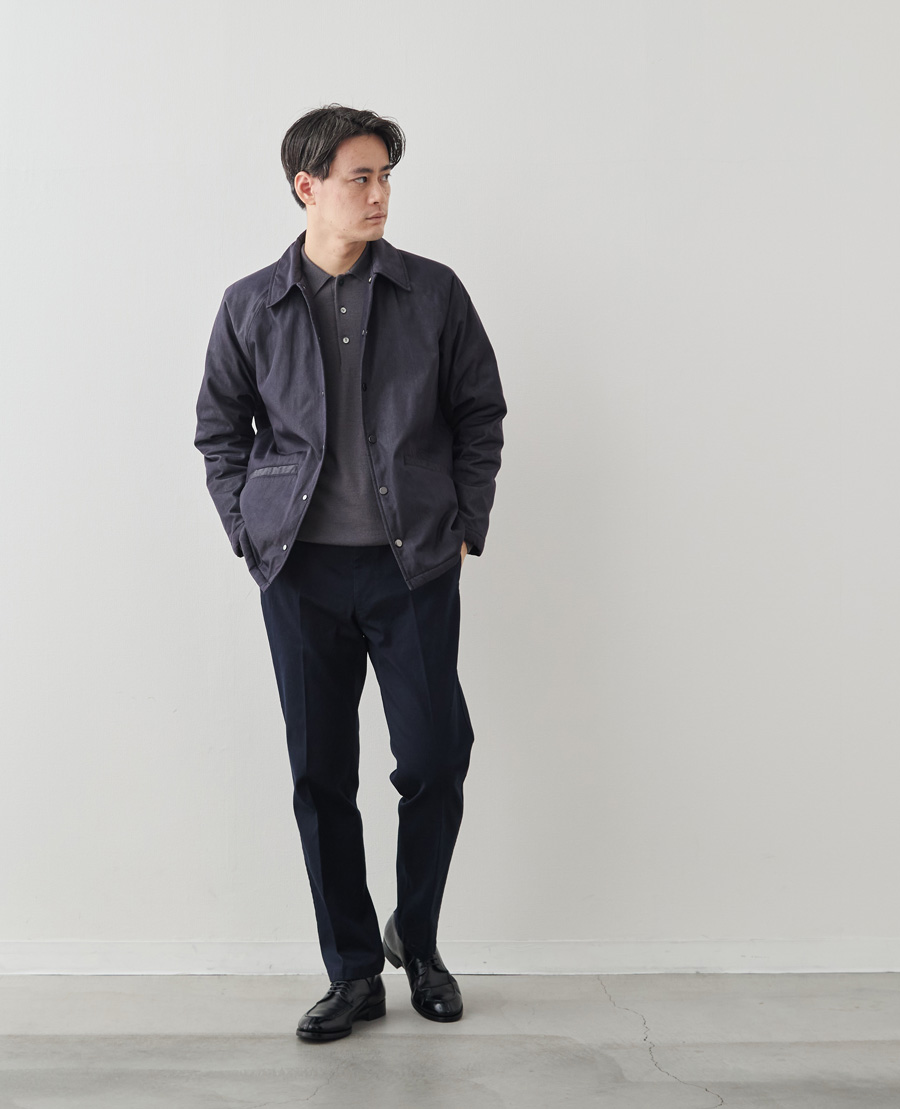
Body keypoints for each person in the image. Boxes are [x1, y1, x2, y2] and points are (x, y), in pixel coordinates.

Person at [194, 104, 506, 1042]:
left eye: (385, 178)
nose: (379, 196)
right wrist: (250, 533)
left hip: (413, 570)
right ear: (308, 187)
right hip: (300, 577)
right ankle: (353, 972)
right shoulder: (251, 304)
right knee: (321, 776)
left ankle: (420, 938)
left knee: (436, 758)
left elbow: (479, 412)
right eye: (360, 178)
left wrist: (465, 524)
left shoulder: (432, 293)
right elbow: (220, 431)